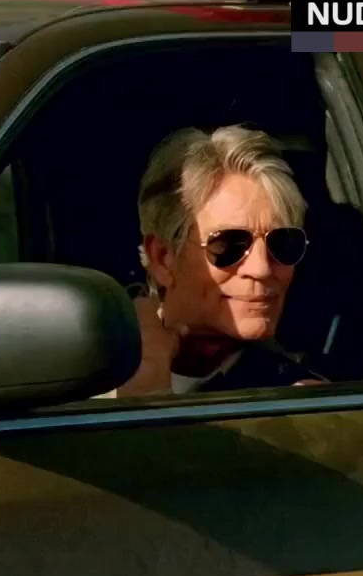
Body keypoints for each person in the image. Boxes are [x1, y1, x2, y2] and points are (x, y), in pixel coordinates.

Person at [113, 125, 327, 398]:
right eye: (228, 246)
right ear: (163, 258)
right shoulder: (85, 369)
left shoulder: (296, 397)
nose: (261, 268)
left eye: (281, 244)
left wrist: (146, 393)